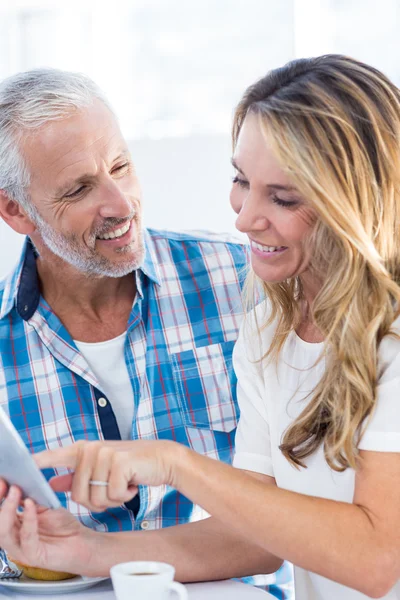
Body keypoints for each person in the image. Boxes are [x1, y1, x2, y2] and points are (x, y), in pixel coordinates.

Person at [2, 52, 400, 600]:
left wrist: (170, 463)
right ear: (15, 211)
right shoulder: (273, 324)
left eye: (282, 196)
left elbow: (377, 559)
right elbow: (266, 521)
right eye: (240, 180)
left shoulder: (249, 289)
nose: (241, 218)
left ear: (352, 201)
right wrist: (78, 550)